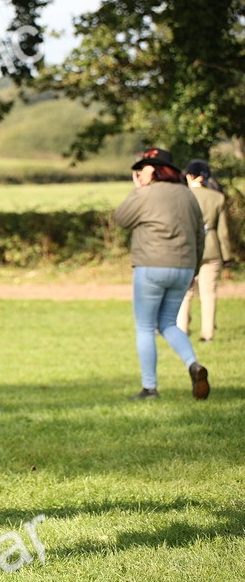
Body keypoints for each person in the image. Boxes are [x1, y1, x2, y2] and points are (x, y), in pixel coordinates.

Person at [112, 148, 209, 400]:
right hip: (184, 268)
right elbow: (200, 234)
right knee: (168, 323)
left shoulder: (146, 194)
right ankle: (193, 364)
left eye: (141, 170)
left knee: (145, 327)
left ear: (153, 171)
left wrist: (138, 189)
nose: (138, 174)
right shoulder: (188, 196)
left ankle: (150, 388)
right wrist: (194, 269)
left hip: (151, 266)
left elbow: (121, 218)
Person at [177, 159, 233, 342]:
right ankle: (207, 334)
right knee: (208, 293)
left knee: (185, 292)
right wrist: (227, 255)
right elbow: (223, 231)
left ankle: (181, 329)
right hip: (212, 249)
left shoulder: (182, 196)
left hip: (187, 248)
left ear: (190, 176)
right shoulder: (217, 198)